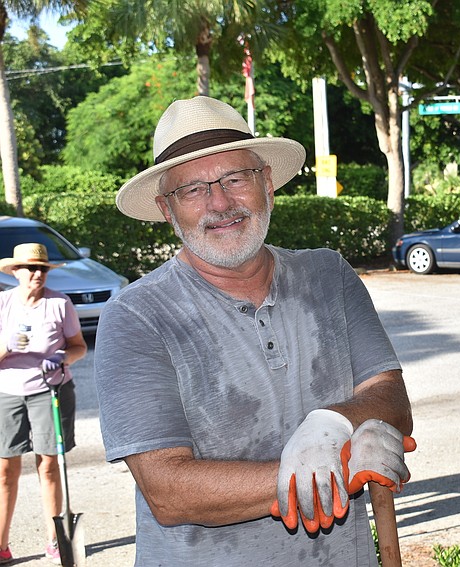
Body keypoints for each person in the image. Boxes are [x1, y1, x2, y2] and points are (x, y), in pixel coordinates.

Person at [93, 95, 414, 566]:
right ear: (167, 208)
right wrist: (329, 465)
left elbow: (391, 398)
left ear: (266, 182)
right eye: (193, 189)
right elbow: (168, 491)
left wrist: (336, 421)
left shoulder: (329, 275)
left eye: (235, 178)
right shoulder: (136, 315)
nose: (220, 203)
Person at [0, 243, 88, 564]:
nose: (38, 274)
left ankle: (56, 539)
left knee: (49, 466)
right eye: (30, 268)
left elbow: (78, 346)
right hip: (7, 393)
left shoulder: (59, 304)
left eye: (43, 268)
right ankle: (1, 545)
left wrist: (62, 357)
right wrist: (6, 346)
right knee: (5, 469)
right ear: (15, 272)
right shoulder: (3, 304)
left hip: (51, 390)